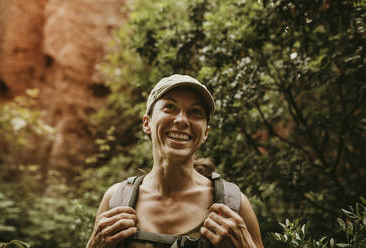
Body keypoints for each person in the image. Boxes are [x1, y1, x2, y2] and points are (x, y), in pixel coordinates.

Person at [86, 74, 264, 248]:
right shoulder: (116, 200)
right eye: (169, 107)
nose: (181, 120)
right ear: (147, 123)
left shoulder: (233, 205)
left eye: (195, 112)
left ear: (206, 133)